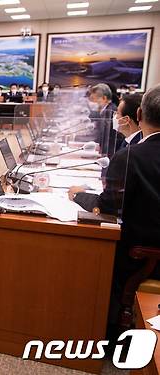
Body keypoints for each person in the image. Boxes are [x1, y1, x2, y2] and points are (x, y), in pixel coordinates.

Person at [68, 84, 160, 332]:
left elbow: (105, 208)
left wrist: (79, 195)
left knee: (79, 247)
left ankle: (99, 327)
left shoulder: (131, 157)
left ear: (139, 115)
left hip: (141, 255)